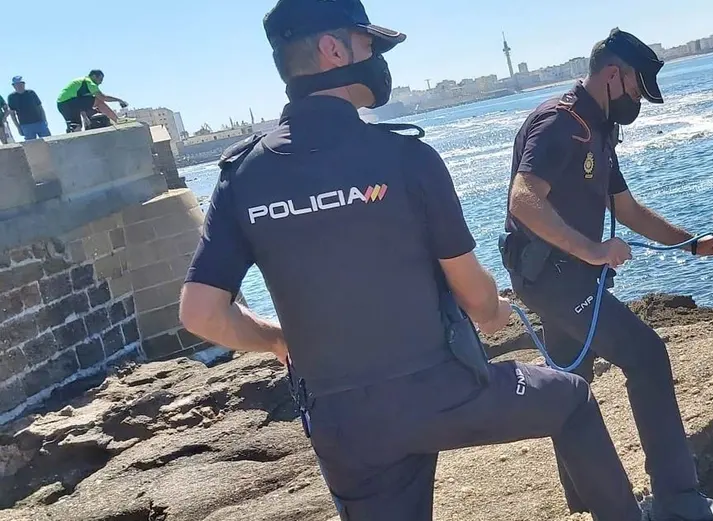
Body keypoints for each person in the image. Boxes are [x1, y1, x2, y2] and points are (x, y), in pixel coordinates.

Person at [179, 2, 649, 520]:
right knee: (573, 400)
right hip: (440, 393)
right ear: (333, 50)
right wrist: (493, 310)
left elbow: (201, 313)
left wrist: (276, 340)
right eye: (368, 45)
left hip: (343, 422)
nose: (378, 59)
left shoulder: (241, 176)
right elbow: (475, 297)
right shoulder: (406, 158)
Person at [500, 28, 713, 521]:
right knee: (646, 356)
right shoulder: (560, 123)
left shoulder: (599, 126)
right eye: (636, 88)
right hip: (554, 278)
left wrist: (690, 242)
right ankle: (677, 500)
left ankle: (584, 505)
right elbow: (523, 199)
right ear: (612, 74)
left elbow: (625, 208)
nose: (639, 100)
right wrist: (592, 250)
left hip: (560, 277)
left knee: (571, 386)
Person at [55, 70, 128, 132]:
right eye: (100, 79)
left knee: (76, 127)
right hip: (68, 102)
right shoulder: (89, 82)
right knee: (98, 101)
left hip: (62, 105)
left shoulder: (82, 84)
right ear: (94, 76)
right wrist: (120, 100)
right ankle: (118, 120)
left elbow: (80, 103)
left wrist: (85, 117)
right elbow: (103, 97)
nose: (100, 82)